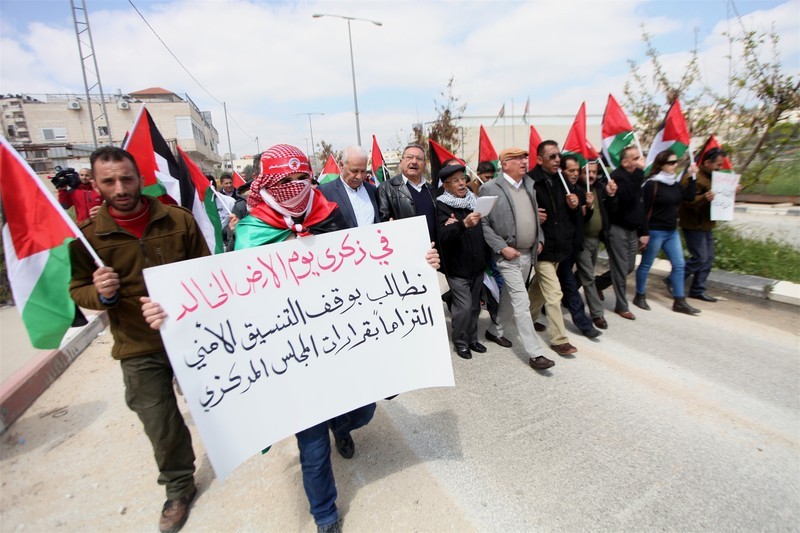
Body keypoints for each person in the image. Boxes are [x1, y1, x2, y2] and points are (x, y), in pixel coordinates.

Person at [146, 144, 439, 533]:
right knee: (312, 447)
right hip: (294, 364)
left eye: (302, 177)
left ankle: (343, 426)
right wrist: (170, 310)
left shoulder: (330, 218)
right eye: (285, 180)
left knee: (364, 411)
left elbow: (367, 266)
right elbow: (222, 299)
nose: (296, 187)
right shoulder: (252, 232)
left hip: (339, 345)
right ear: (267, 183)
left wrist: (416, 262)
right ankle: (325, 515)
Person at [68, 147, 209, 533]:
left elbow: (206, 274)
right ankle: (179, 487)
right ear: (95, 184)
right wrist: (103, 294)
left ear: (139, 178)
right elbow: (77, 288)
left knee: (216, 402)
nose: (120, 188)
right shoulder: (87, 239)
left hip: (190, 336)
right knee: (160, 422)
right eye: (109, 181)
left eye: (126, 178)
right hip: (137, 346)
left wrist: (180, 305)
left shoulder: (177, 221)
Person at [479, 147, 555, 371]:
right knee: (522, 302)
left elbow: (535, 217)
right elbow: (483, 223)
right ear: (505, 164)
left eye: (524, 158)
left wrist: (539, 238)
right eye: (517, 159)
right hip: (508, 256)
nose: (524, 161)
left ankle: (495, 331)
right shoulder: (489, 188)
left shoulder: (529, 185)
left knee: (507, 298)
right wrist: (502, 248)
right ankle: (535, 354)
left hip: (527, 254)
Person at [526, 142, 582, 355]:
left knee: (538, 287)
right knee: (554, 292)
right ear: (540, 159)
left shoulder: (563, 180)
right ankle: (559, 339)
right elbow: (521, 211)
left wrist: (575, 205)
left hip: (561, 245)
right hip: (542, 246)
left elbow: (572, 215)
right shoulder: (530, 182)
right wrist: (534, 216)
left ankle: (528, 318)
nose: (557, 160)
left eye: (558, 156)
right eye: (552, 156)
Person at [633, 150, 701, 315]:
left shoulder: (674, 183)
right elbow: (641, 209)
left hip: (671, 232)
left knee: (679, 265)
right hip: (655, 231)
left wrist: (692, 177)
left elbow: (689, 197)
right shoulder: (651, 184)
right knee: (646, 264)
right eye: (671, 163)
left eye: (675, 162)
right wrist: (644, 232)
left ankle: (680, 301)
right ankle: (640, 295)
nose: (674, 165)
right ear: (661, 165)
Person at [436, 164, 490, 360]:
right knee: (464, 307)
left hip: (477, 265)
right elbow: (443, 235)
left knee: (475, 306)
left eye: (463, 178)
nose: (461, 183)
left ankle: (472, 339)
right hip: (457, 267)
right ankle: (460, 342)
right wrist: (462, 224)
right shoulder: (441, 205)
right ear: (446, 186)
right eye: (455, 181)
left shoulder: (475, 201)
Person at [551, 154, 602, 339]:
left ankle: (533, 308)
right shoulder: (557, 192)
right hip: (559, 248)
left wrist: (587, 207)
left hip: (574, 246)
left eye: (576, 170)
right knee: (569, 284)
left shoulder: (579, 191)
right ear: (561, 171)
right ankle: (584, 323)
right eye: (570, 170)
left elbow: (580, 221)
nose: (574, 174)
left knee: (543, 285)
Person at [596, 146, 647, 320]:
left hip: (633, 230)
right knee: (620, 267)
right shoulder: (617, 177)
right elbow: (627, 195)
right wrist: (640, 172)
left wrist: (644, 231)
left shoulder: (635, 178)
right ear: (625, 162)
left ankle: (598, 284)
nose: (640, 160)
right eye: (635, 158)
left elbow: (640, 205)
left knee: (628, 266)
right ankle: (621, 305)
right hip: (617, 229)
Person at [678, 147, 731, 302]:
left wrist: (732, 190)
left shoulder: (717, 178)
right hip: (694, 224)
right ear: (707, 162)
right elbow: (687, 201)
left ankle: (697, 289)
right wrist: (704, 198)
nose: (720, 168)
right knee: (700, 257)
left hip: (707, 223)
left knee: (708, 259)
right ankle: (674, 280)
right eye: (718, 165)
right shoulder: (693, 177)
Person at [574, 161, 617, 330]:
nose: (591, 176)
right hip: (581, 240)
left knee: (581, 275)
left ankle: (562, 296)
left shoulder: (600, 188)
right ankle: (597, 313)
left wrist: (612, 196)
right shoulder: (576, 190)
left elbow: (611, 211)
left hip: (596, 239)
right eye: (587, 172)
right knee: (589, 277)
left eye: (594, 172)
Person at [377, 144, 438, 242]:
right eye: (409, 157)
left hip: (433, 252)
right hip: (404, 250)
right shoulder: (386, 188)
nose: (414, 162)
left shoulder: (431, 189)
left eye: (419, 159)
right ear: (401, 162)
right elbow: (381, 223)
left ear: (424, 165)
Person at [318, 145, 380, 228]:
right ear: (341, 166)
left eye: (363, 171)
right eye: (354, 171)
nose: (359, 176)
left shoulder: (372, 190)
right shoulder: (325, 192)